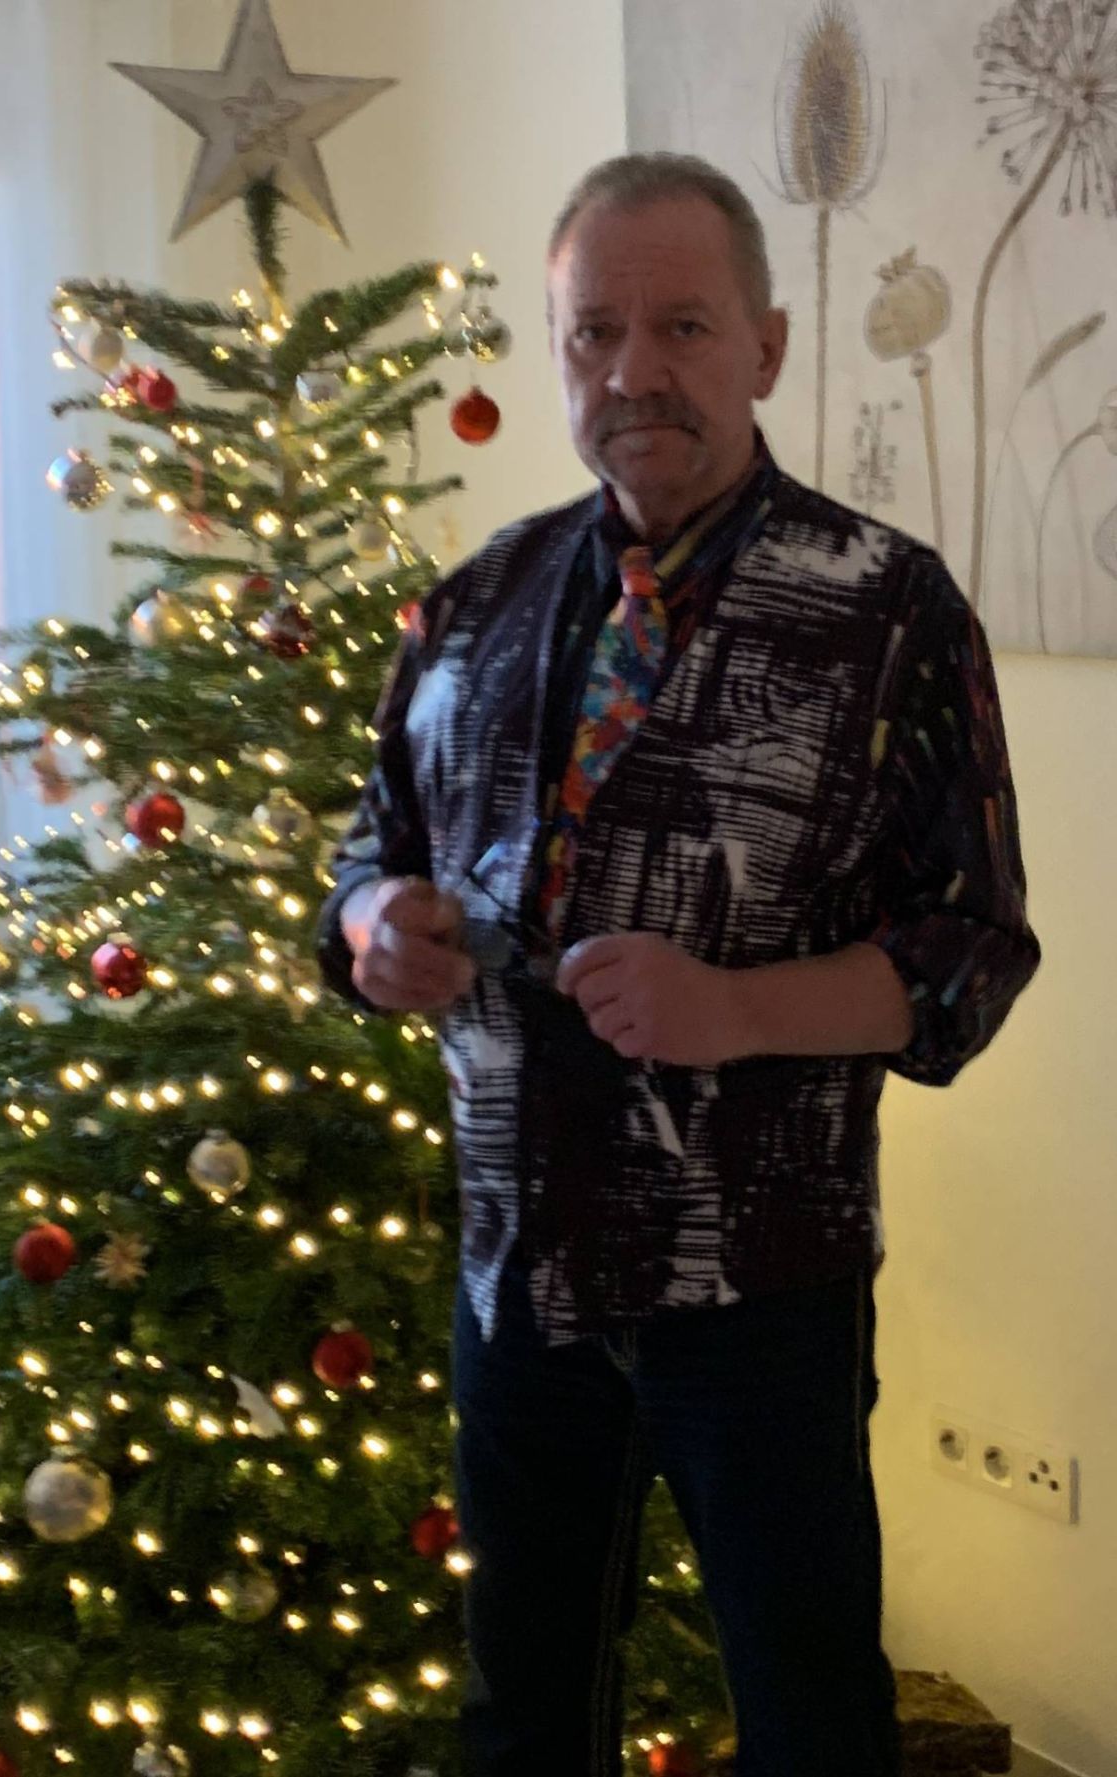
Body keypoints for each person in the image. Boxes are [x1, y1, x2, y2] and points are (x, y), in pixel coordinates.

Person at [316, 153, 1041, 1777]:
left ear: (766, 346)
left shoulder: (888, 611)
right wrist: (375, 930)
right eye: (595, 332)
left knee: (808, 1716)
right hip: (515, 1271)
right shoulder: (472, 606)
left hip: (760, 1284)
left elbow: (974, 948)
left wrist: (737, 1009)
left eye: (685, 327)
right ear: (559, 351)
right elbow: (368, 860)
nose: (634, 371)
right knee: (523, 1717)